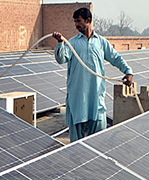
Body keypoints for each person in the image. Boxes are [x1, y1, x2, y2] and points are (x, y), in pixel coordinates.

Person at [53, 7, 133, 142]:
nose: (76, 25)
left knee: (98, 141)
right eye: (75, 22)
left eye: (78, 21)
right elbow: (61, 59)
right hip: (78, 98)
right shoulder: (72, 42)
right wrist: (60, 43)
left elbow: (115, 58)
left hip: (96, 98)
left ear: (88, 20)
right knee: (76, 143)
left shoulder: (101, 42)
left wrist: (128, 72)